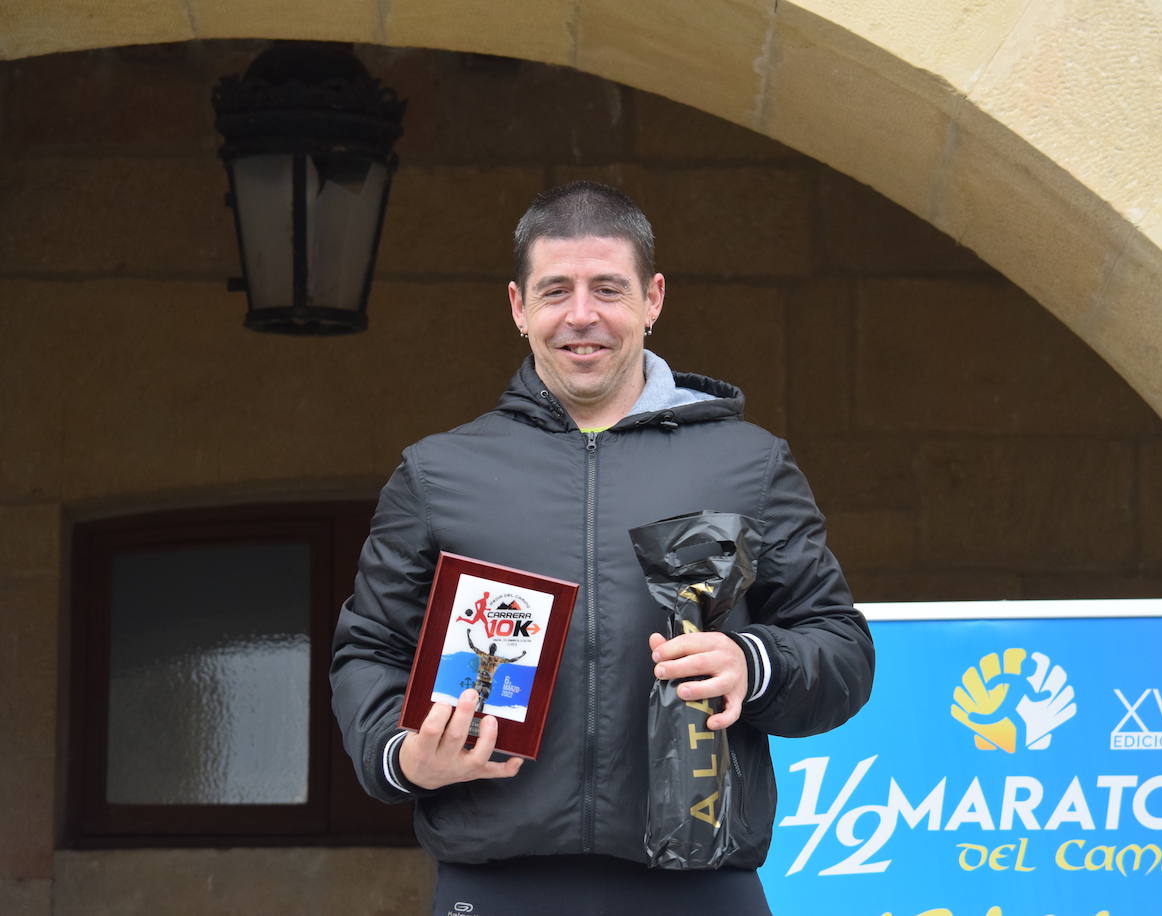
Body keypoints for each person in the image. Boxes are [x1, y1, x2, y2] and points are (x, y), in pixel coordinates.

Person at [330, 181, 874, 916]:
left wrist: (754, 663)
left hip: (700, 885)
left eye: (608, 290)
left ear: (653, 299)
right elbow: (368, 650)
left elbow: (841, 648)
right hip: (496, 884)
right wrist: (403, 758)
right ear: (519, 307)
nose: (581, 316)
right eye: (556, 291)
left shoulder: (750, 464)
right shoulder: (438, 473)